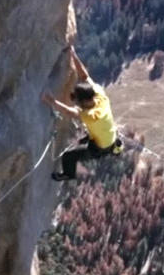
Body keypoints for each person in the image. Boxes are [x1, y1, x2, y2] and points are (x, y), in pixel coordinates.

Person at [41, 46, 122, 181]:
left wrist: (49, 100)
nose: (76, 103)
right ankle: (112, 148)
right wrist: (73, 55)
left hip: (100, 148)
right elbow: (85, 76)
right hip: (110, 136)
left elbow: (68, 111)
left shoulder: (90, 116)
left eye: (78, 101)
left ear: (84, 101)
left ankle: (68, 174)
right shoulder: (100, 94)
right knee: (89, 138)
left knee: (68, 156)